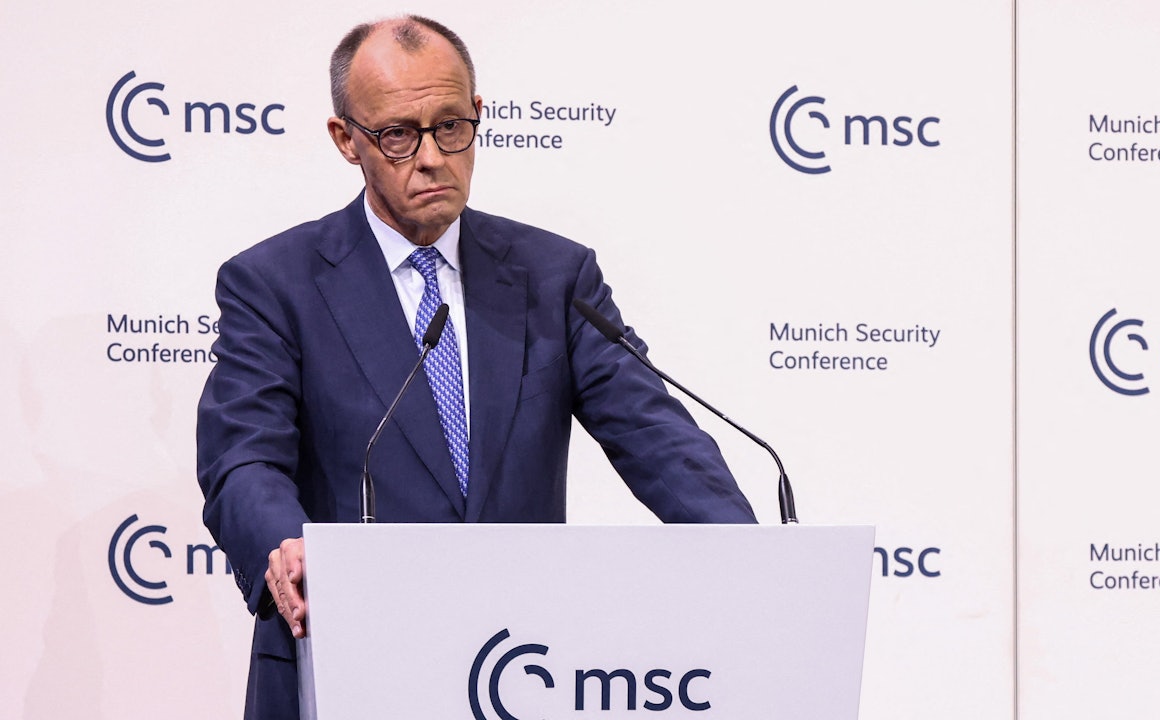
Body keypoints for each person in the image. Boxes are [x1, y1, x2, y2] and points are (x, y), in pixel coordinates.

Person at [195, 14, 756, 720]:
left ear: (478, 114)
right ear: (346, 139)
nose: (432, 157)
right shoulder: (275, 283)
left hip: (523, 668)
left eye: (451, 126)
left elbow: (654, 434)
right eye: (398, 135)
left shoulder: (554, 277)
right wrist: (283, 543)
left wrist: (752, 561)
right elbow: (242, 458)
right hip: (346, 658)